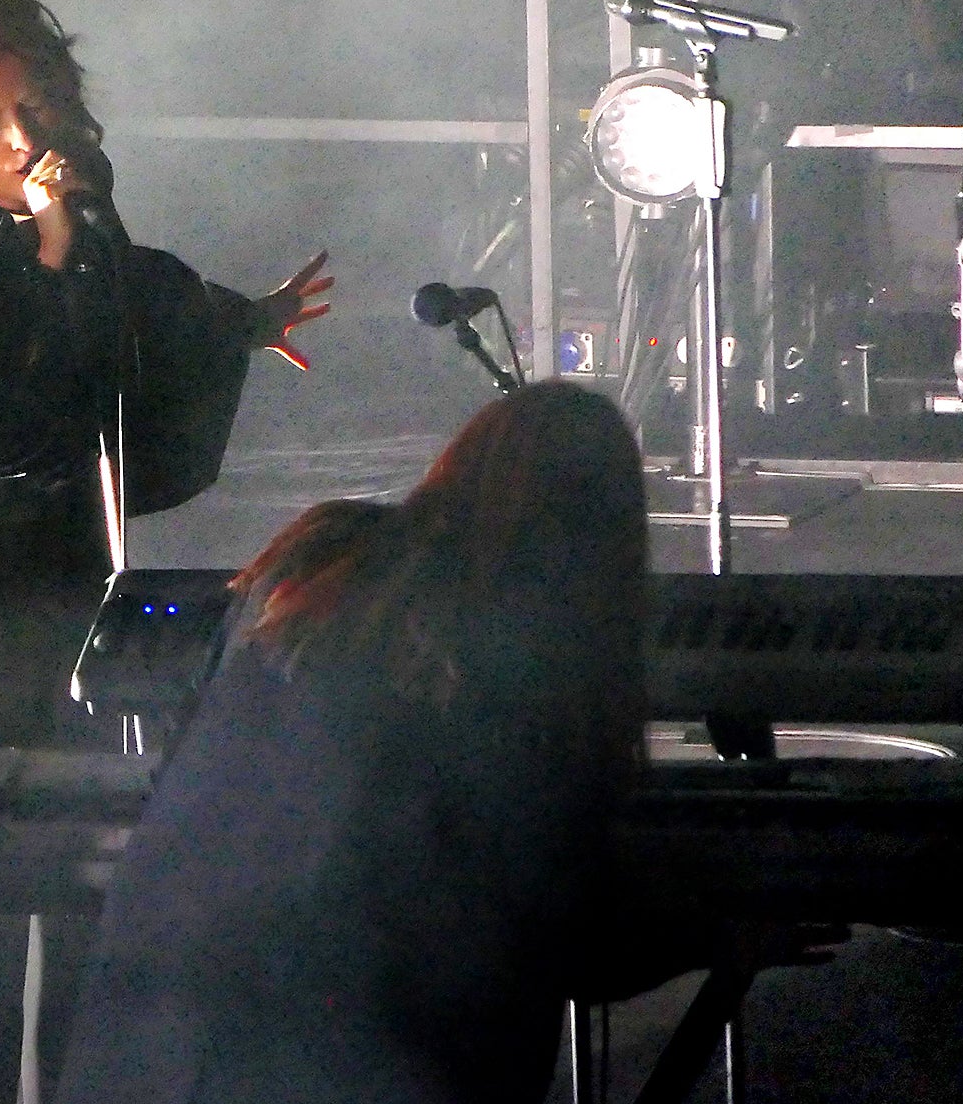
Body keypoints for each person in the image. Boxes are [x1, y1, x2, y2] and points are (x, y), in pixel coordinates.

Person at [0, 0, 332, 1104]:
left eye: (32, 112)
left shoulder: (76, 190)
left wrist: (242, 321)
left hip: (72, 574)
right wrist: (38, 241)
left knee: (83, 877)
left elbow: (140, 298)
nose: (23, 143)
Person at [54, 381, 648, 1104]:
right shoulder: (521, 630)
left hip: (153, 1045)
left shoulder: (316, 552)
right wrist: (703, 941)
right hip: (360, 1059)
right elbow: (541, 913)